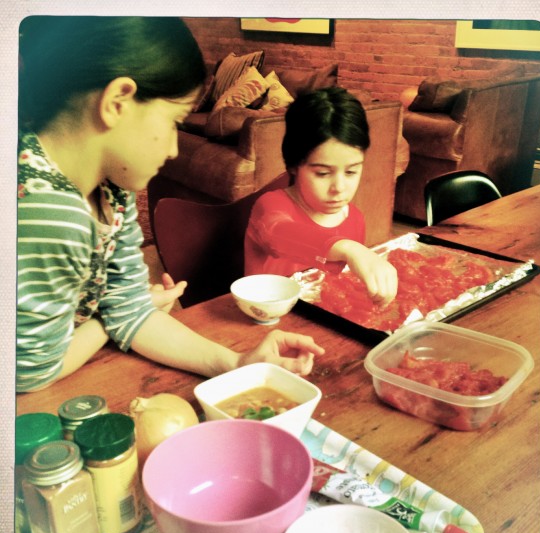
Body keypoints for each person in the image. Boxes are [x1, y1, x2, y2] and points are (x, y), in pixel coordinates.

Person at [17, 16, 324, 393]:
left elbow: (130, 311)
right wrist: (102, 322)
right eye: (174, 121)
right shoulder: (45, 210)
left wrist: (236, 364)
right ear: (117, 102)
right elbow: (30, 370)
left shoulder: (111, 188)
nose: (174, 148)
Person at [244, 87, 398, 302]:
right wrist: (348, 248)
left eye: (351, 171)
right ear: (294, 165)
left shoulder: (354, 218)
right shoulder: (270, 206)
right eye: (323, 173)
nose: (339, 187)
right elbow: (279, 235)